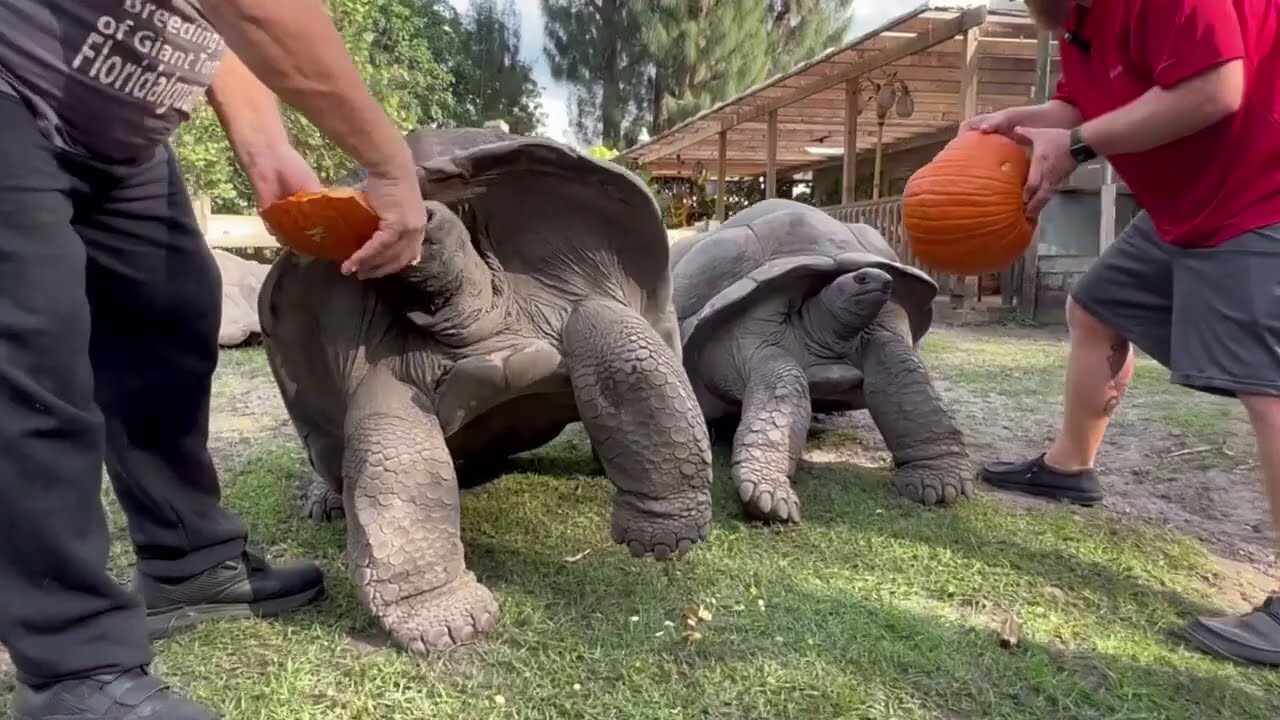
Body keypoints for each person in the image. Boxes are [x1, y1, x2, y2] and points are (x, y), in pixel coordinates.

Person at [0, 1, 427, 717]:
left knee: (171, 312)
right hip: (13, 88)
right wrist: (389, 167)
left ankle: (188, 563)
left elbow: (211, 19)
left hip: (118, 137)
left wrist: (263, 140)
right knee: (33, 356)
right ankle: (71, 666)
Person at [968, 0, 1280, 667]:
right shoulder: (1078, 22)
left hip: (1264, 184)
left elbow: (1217, 88)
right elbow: (1084, 107)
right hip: (1188, 205)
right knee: (1098, 306)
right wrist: (1020, 124)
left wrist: (1078, 146)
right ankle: (1068, 469)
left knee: (1270, 390)